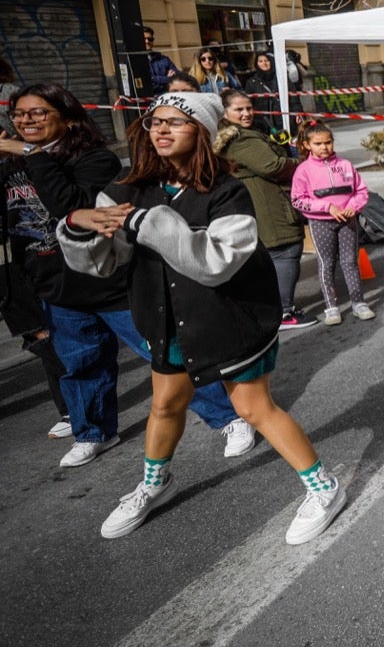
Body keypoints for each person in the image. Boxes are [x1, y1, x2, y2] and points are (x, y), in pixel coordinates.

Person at [60, 92, 346, 543]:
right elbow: (103, 262)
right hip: (166, 321)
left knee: (252, 408)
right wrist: (78, 226)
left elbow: (215, 263)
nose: (161, 130)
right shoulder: (126, 188)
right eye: (155, 121)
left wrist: (145, 224)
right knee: (165, 404)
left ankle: (323, 486)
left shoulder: (228, 192)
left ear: (203, 132)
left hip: (231, 318)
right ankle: (155, 483)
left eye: (176, 122)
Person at [3, 84, 255, 465]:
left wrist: (32, 154)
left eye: (37, 112)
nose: (26, 121)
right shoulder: (11, 166)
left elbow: (70, 209)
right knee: (79, 365)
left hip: (113, 285)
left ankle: (229, 417)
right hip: (56, 284)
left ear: (69, 118)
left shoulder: (94, 160)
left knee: (172, 356)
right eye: (18, 114)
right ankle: (94, 432)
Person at [215, 91, 310, 330]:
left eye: (249, 108)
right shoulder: (241, 138)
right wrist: (306, 166)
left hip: (262, 199)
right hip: (267, 203)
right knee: (286, 249)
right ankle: (284, 312)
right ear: (225, 113)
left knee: (277, 253)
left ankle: (277, 308)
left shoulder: (240, 133)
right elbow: (272, 165)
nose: (246, 113)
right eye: (239, 109)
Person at [291, 121, 373, 325]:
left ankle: (358, 302)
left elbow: (361, 191)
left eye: (328, 142)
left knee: (350, 262)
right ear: (307, 144)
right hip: (321, 224)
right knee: (326, 264)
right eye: (318, 143)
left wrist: (353, 207)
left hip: (348, 221)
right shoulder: (303, 170)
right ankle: (331, 306)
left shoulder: (345, 165)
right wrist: (327, 208)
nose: (324, 147)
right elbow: (298, 199)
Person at [242, 52, 282, 135]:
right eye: (260, 61)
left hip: (280, 119)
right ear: (256, 64)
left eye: (266, 60)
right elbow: (249, 102)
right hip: (261, 122)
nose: (264, 63)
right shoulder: (251, 82)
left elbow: (293, 99)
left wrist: (298, 114)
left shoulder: (281, 79)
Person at [143, 27, 181, 94]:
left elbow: (177, 77)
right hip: (147, 100)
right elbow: (145, 82)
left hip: (166, 98)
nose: (147, 41)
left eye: (150, 39)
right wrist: (167, 79)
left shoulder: (164, 59)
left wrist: (154, 79)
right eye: (144, 39)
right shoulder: (135, 61)